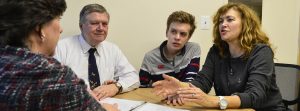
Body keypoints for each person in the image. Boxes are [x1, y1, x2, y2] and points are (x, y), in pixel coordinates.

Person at [152, 3, 286, 111]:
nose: (223, 24)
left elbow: (255, 96)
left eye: (230, 19)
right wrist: (181, 87)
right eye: (221, 21)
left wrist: (211, 101)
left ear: (246, 24)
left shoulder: (261, 52)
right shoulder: (216, 51)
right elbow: (202, 82)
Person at [0, 0, 118, 111]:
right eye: (58, 19)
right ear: (40, 28)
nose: (61, 29)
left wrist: (117, 86)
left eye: (104, 24)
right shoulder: (52, 76)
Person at [55, 4, 139, 100]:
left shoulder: (112, 49)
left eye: (104, 24)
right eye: (94, 23)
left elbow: (133, 77)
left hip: (107, 104)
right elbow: (52, 86)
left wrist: (116, 87)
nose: (101, 28)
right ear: (81, 26)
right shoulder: (61, 48)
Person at [139, 11, 201, 88]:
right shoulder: (150, 57)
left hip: (185, 98)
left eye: (183, 34)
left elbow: (191, 82)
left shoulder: (193, 49)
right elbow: (142, 87)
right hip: (159, 98)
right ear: (166, 33)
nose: (177, 37)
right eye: (173, 31)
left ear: (189, 37)